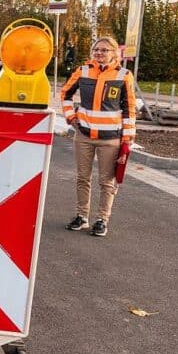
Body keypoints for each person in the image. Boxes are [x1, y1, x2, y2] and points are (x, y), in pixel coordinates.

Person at [60, 36, 136, 237]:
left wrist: (127, 138)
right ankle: (81, 216)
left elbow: (129, 109)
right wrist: (71, 117)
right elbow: (65, 94)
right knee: (82, 178)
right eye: (96, 50)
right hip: (84, 135)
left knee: (106, 181)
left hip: (110, 138)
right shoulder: (83, 71)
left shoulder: (123, 75)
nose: (99, 53)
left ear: (114, 53)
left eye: (104, 50)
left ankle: (102, 219)